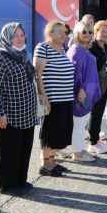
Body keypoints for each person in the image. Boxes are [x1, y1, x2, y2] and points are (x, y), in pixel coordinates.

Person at [0, 22, 37, 196]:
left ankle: (20, 181)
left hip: (26, 114)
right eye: (15, 36)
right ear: (6, 38)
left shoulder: (21, 54)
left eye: (22, 35)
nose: (19, 38)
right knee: (9, 151)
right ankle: (7, 185)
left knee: (24, 148)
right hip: (8, 116)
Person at [34, 21, 75, 177]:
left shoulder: (62, 49)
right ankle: (45, 164)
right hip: (52, 99)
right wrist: (43, 96)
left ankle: (52, 161)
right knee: (50, 131)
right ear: (50, 33)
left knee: (59, 132)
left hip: (65, 98)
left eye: (65, 32)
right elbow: (38, 75)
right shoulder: (43, 48)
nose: (64, 35)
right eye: (60, 32)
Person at [67, 22, 101, 162]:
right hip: (81, 94)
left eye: (90, 32)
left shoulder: (83, 49)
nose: (88, 34)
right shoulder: (76, 50)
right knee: (79, 125)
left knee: (81, 125)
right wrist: (79, 90)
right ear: (77, 33)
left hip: (88, 92)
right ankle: (77, 154)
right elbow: (74, 73)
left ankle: (79, 149)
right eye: (84, 32)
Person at [87, 20, 107, 155]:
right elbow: (91, 67)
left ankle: (96, 138)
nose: (105, 34)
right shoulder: (91, 47)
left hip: (105, 84)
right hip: (94, 84)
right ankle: (92, 142)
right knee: (95, 113)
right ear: (96, 32)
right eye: (102, 31)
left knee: (99, 112)